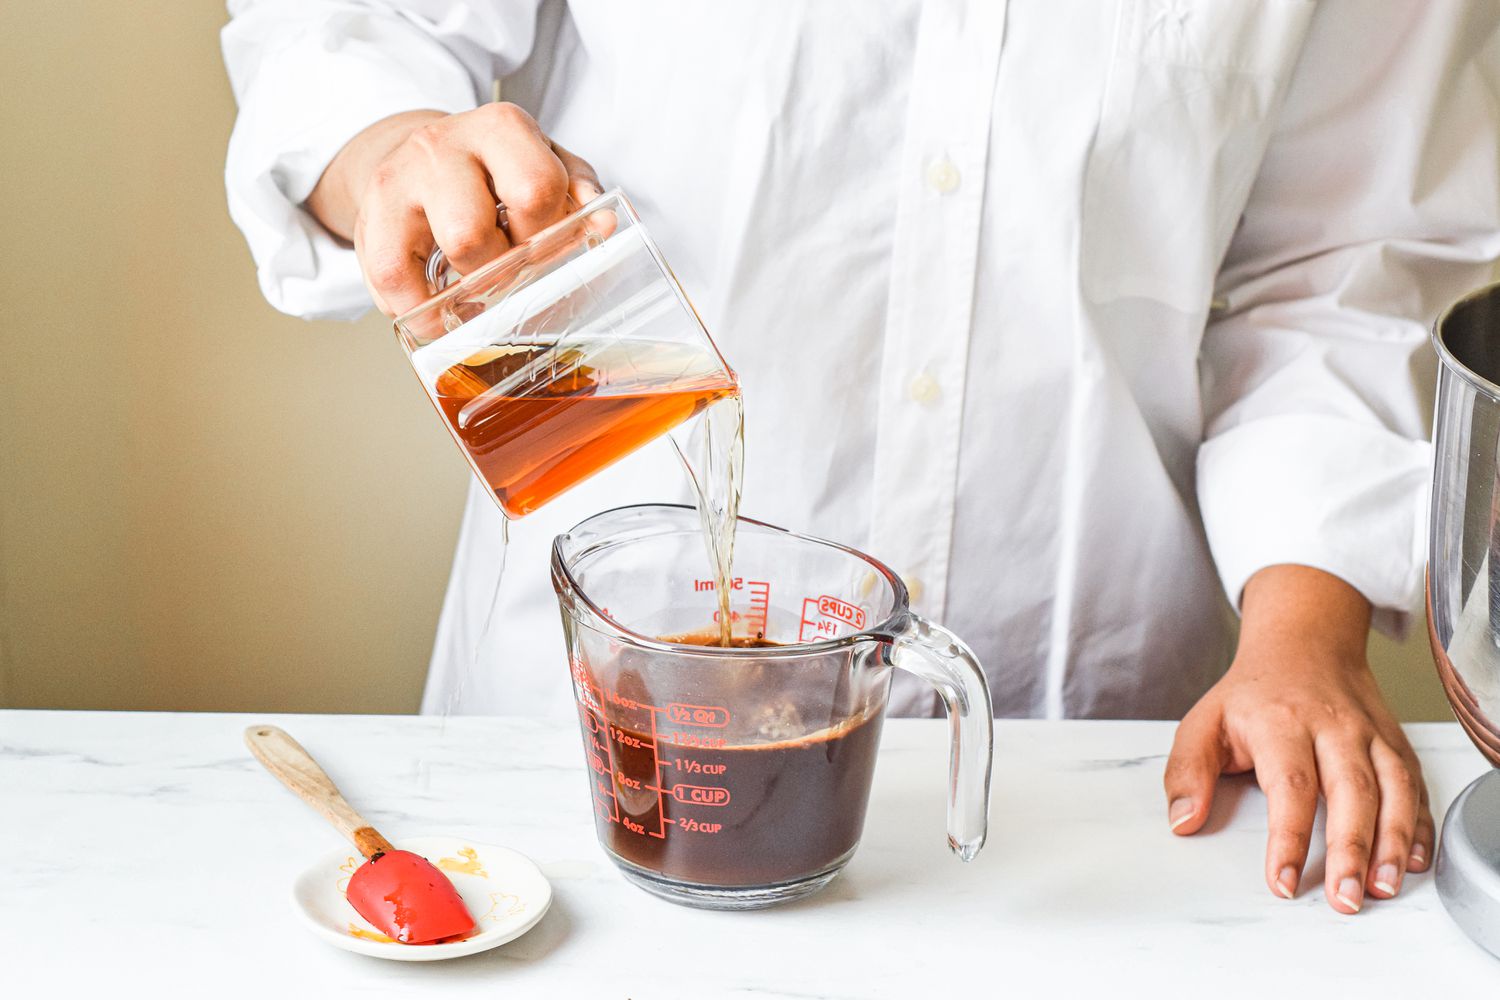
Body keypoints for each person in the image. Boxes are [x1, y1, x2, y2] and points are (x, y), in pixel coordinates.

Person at [222, 0, 1500, 915]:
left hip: (1083, 777)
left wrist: (1305, 633)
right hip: (585, 742)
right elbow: (345, 28)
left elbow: (1341, 265)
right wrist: (393, 148)